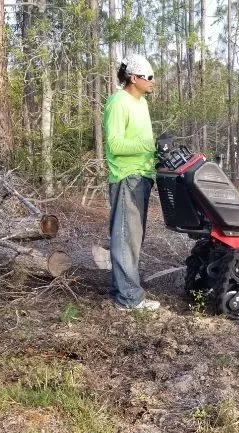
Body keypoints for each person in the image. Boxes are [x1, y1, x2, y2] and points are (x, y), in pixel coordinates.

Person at [103, 54, 160, 311]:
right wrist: (150, 145)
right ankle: (129, 299)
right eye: (148, 77)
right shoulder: (119, 102)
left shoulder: (142, 103)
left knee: (131, 238)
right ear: (133, 78)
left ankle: (121, 289)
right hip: (126, 176)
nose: (153, 81)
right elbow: (114, 144)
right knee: (126, 237)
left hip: (142, 176)